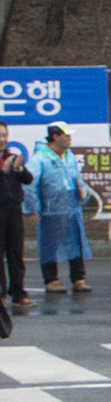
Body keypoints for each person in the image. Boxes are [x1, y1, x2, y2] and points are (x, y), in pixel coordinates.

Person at [32, 124, 90, 294]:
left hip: (71, 208)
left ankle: (78, 278)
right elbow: (31, 186)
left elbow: (77, 178)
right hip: (50, 210)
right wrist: (33, 208)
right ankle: (51, 279)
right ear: (55, 136)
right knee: (50, 244)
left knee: (75, 242)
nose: (70, 139)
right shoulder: (40, 158)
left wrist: (83, 192)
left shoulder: (69, 156)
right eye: (66, 135)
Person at [0, 123, 29, 307]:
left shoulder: (12, 157)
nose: (2, 139)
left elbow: (28, 179)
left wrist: (19, 169)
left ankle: (18, 293)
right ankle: (1, 294)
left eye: (5, 135)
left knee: (16, 252)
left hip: (13, 210)